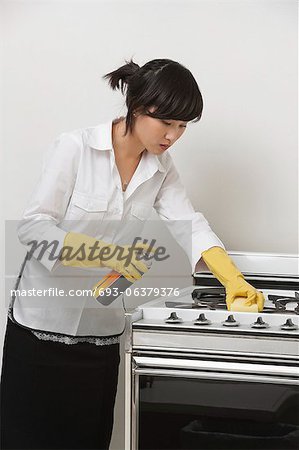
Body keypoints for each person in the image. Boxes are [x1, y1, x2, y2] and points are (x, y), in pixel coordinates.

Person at [0, 58, 264, 450]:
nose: (173, 135)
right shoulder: (75, 148)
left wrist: (230, 276)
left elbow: (187, 222)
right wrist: (104, 253)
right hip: (40, 331)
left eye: (183, 126)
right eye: (167, 122)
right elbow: (33, 227)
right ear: (137, 107)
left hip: (102, 336)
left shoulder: (162, 169)